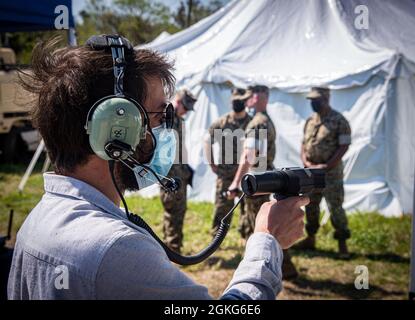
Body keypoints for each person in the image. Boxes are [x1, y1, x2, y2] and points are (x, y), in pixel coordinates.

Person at [7, 36, 308, 300]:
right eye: (160, 114)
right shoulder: (116, 249)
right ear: (115, 131)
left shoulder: (38, 219)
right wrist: (266, 241)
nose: (166, 128)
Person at [227, 85, 298, 280]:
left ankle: (269, 268)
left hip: (259, 180)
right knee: (269, 224)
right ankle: (285, 267)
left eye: (250, 96)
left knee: (261, 226)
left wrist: (235, 182)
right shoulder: (265, 120)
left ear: (259, 97)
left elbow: (250, 155)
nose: (247, 99)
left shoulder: (258, 123)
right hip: (266, 178)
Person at [296, 87, 351, 258]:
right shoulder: (310, 121)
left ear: (326, 98)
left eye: (316, 100)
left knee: (335, 207)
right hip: (311, 174)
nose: (313, 103)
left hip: (331, 175)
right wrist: (306, 162)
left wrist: (327, 165)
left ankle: (342, 244)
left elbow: (344, 146)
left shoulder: (339, 120)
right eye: (311, 100)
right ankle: (310, 238)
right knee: (311, 206)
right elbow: (303, 144)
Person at [204, 88, 252, 235]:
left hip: (246, 174)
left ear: (245, 101)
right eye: (235, 101)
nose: (237, 103)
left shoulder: (251, 123)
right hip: (225, 175)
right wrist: (212, 164)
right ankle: (215, 240)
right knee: (222, 209)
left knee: (248, 210)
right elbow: (207, 141)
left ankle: (247, 238)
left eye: (240, 100)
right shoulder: (222, 122)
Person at [160, 89, 196, 254]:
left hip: (180, 172)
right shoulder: (163, 118)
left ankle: (170, 246)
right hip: (169, 174)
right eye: (186, 108)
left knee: (178, 210)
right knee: (173, 209)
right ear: (179, 102)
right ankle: (172, 249)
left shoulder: (179, 121)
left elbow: (182, 146)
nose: (187, 112)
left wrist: (186, 167)